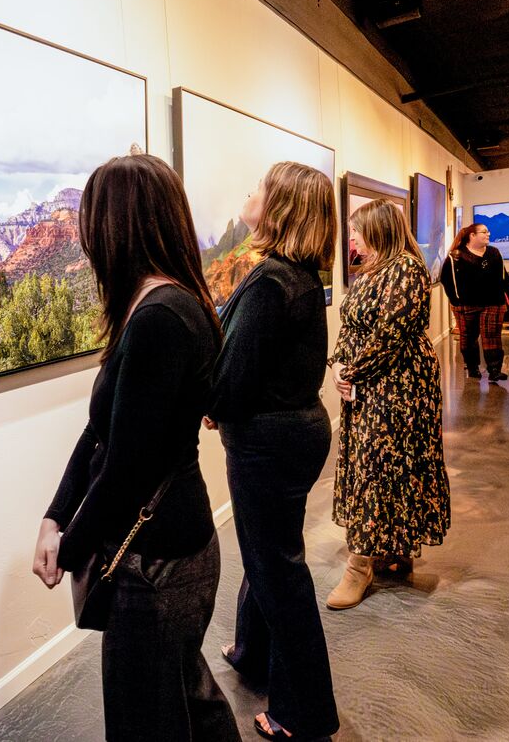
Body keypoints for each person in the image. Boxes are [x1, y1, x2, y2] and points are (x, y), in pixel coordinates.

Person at [31, 154, 239, 741]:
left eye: (92, 221)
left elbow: (125, 467)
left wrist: (68, 547)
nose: (86, 239)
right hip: (169, 550)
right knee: (188, 699)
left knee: (146, 721)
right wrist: (54, 515)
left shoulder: (159, 318)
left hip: (155, 564)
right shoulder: (162, 305)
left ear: (117, 226)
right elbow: (100, 432)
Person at [207, 162, 339, 741]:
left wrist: (214, 402)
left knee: (277, 570)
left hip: (268, 442)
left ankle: (303, 715)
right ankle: (252, 652)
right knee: (269, 554)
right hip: (293, 433)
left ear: (280, 206)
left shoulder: (271, 281)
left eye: (260, 186)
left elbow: (233, 376)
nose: (250, 192)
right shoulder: (299, 275)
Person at [327, 199, 449, 610]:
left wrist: (351, 372)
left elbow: (389, 334)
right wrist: (338, 364)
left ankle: (360, 565)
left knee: (382, 467)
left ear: (378, 229)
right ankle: (391, 547)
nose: (351, 238)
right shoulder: (369, 270)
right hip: (368, 382)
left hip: (400, 386)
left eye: (356, 230)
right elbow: (350, 326)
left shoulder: (407, 269)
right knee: (373, 464)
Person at [439, 222, 509, 381]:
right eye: (484, 232)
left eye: (488, 231)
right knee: (468, 337)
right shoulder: (456, 256)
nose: (488, 234)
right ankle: (472, 367)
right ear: (472, 235)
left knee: (492, 336)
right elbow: (447, 280)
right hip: (466, 304)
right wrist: (456, 300)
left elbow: (503, 275)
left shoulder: (494, 253)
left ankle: (494, 370)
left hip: (493, 301)